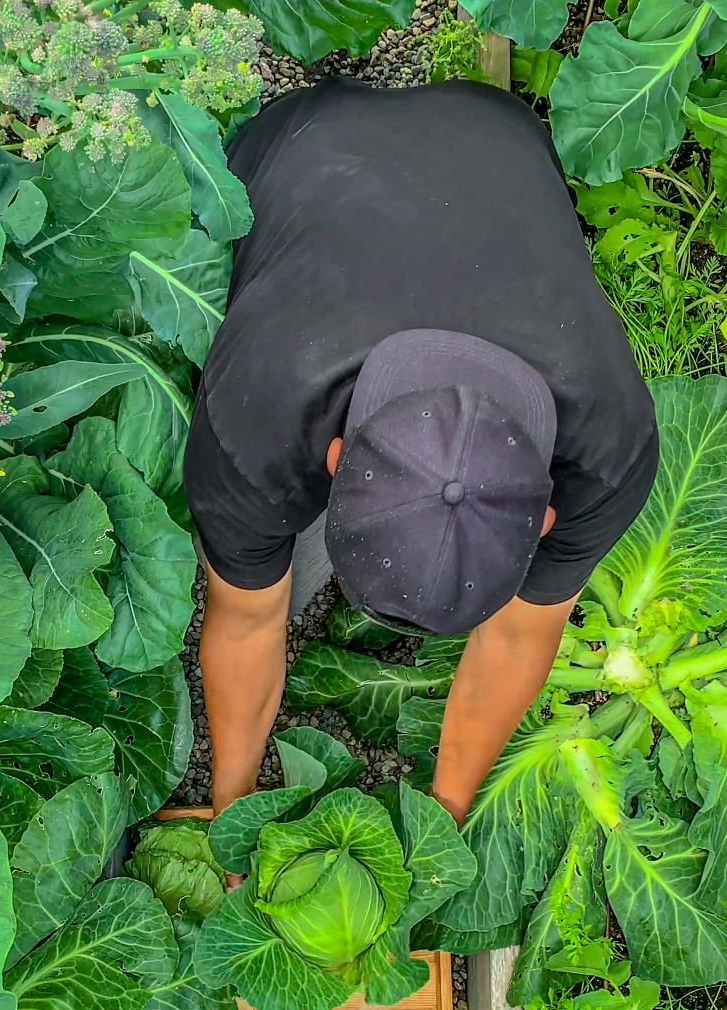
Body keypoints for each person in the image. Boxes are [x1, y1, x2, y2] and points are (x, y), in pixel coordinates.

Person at [184, 76, 658, 833]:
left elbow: (517, 635)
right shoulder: (255, 419)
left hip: (499, 131)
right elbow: (242, 623)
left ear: (544, 518)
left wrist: (444, 816)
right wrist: (232, 804)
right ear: (332, 461)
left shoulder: (612, 446)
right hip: (305, 142)